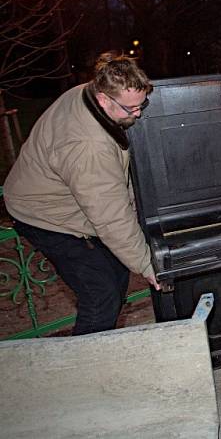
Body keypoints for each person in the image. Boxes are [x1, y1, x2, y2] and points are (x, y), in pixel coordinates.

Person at [4, 53, 162, 336]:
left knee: (116, 268)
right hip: (43, 213)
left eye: (142, 104)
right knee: (101, 295)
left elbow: (111, 184)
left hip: (66, 195)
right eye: (130, 109)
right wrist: (148, 266)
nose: (137, 114)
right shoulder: (86, 145)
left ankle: (103, 343)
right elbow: (109, 214)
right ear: (104, 99)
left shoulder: (90, 94)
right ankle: (85, 366)